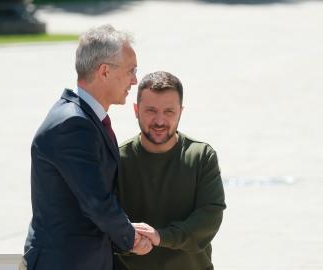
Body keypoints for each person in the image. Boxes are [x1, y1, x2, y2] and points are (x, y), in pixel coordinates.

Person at [22, 25, 152, 270]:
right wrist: (131, 238)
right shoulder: (73, 124)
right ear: (104, 71)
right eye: (130, 71)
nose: (135, 80)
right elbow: (97, 201)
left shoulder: (83, 118)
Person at [115, 71, 226, 270]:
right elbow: (104, 221)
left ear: (180, 112)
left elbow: (209, 217)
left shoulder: (201, 156)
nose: (159, 121)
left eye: (169, 111)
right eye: (150, 110)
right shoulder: (117, 160)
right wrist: (128, 242)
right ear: (136, 110)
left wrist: (161, 237)